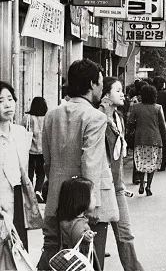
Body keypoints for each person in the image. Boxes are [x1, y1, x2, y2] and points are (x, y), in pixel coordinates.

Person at [38, 59, 119, 271]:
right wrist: (89, 205)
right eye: (101, 82)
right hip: (83, 206)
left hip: (56, 200)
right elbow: (90, 162)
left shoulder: (52, 115)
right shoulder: (95, 117)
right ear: (92, 84)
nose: (102, 87)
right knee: (87, 260)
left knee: (53, 256)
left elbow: (47, 161)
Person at [98, 77, 144, 271]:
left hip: (117, 185)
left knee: (125, 233)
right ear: (105, 95)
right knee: (96, 238)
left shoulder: (119, 117)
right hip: (100, 185)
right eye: (117, 90)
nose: (123, 94)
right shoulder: (97, 118)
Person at [0, 81, 42, 251]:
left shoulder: (20, 132)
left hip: (17, 197)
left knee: (17, 251)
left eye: (10, 98)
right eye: (0, 100)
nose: (7, 104)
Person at [127, 84, 166, 196]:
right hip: (154, 140)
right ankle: (148, 186)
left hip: (140, 139)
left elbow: (130, 122)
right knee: (152, 165)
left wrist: (131, 131)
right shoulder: (158, 108)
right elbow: (162, 125)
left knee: (141, 163)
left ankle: (141, 183)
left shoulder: (136, 107)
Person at [57, 177, 99, 269]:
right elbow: (80, 242)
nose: (96, 198)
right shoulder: (79, 224)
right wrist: (85, 236)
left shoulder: (67, 220)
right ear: (82, 199)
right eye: (94, 195)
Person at [23, 96, 48, 203]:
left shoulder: (27, 117)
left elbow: (22, 131)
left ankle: (28, 193)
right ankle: (38, 191)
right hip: (42, 151)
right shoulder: (47, 118)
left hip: (29, 150)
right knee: (41, 172)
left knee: (29, 172)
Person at [153, 76, 166, 171]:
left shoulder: (152, 93)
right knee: (164, 142)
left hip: (153, 121)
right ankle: (163, 164)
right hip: (164, 121)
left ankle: (154, 162)